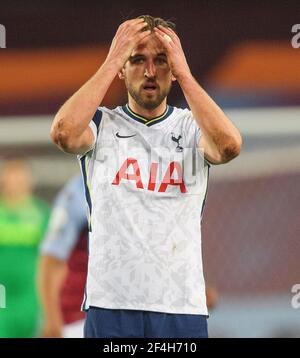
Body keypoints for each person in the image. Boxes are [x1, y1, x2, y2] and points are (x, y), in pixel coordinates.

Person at [50, 15, 242, 338]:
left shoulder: (192, 128)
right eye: (137, 59)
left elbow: (229, 146)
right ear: (122, 69)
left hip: (181, 308)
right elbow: (63, 133)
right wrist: (112, 60)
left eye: (161, 61)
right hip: (111, 306)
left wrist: (186, 74)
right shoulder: (100, 125)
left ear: (175, 68)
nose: (150, 72)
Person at [0, 159, 49, 338]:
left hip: (31, 297)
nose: (14, 184)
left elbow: (53, 260)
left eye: (19, 179)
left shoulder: (43, 215)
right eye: (10, 179)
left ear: (29, 182)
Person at [38, 175, 88, 338]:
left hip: (141, 312)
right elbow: (51, 259)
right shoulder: (78, 191)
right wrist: (52, 319)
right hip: (79, 319)